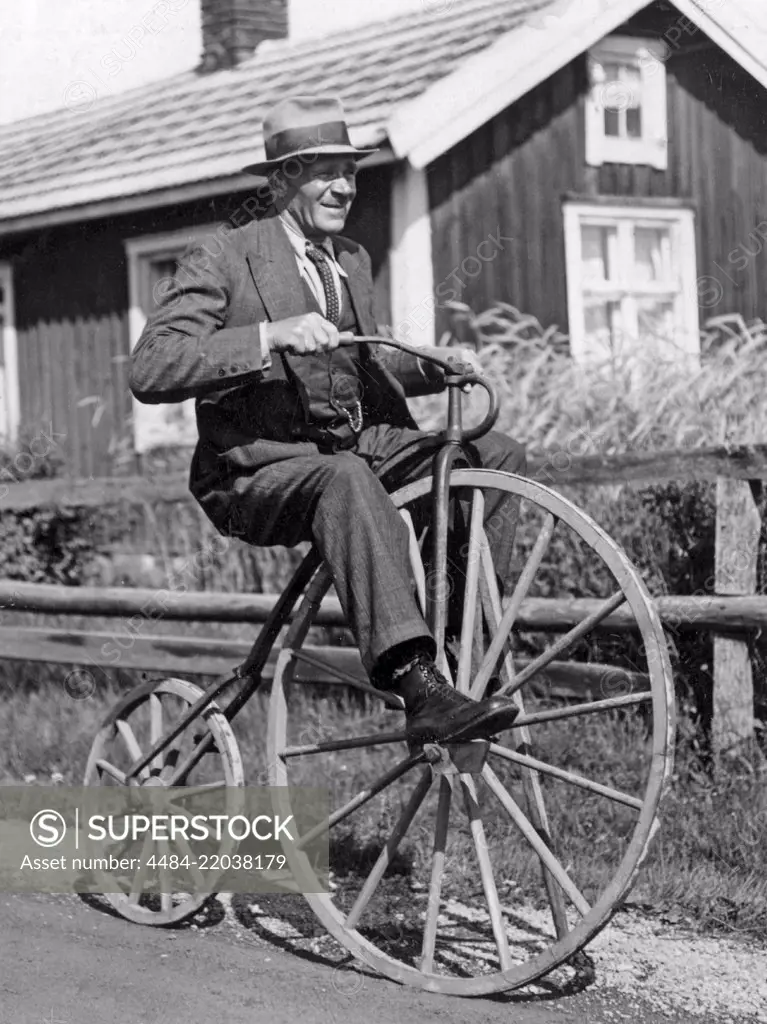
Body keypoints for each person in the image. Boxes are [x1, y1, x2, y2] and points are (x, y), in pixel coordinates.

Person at [130, 95, 527, 745]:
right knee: (342, 477)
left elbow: (357, 368)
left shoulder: (351, 262)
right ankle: (414, 678)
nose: (344, 185)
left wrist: (432, 367)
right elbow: (150, 370)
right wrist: (266, 335)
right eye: (324, 171)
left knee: (490, 453)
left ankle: (457, 645)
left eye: (350, 171)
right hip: (256, 472)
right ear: (282, 179)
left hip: (348, 445)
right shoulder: (223, 259)